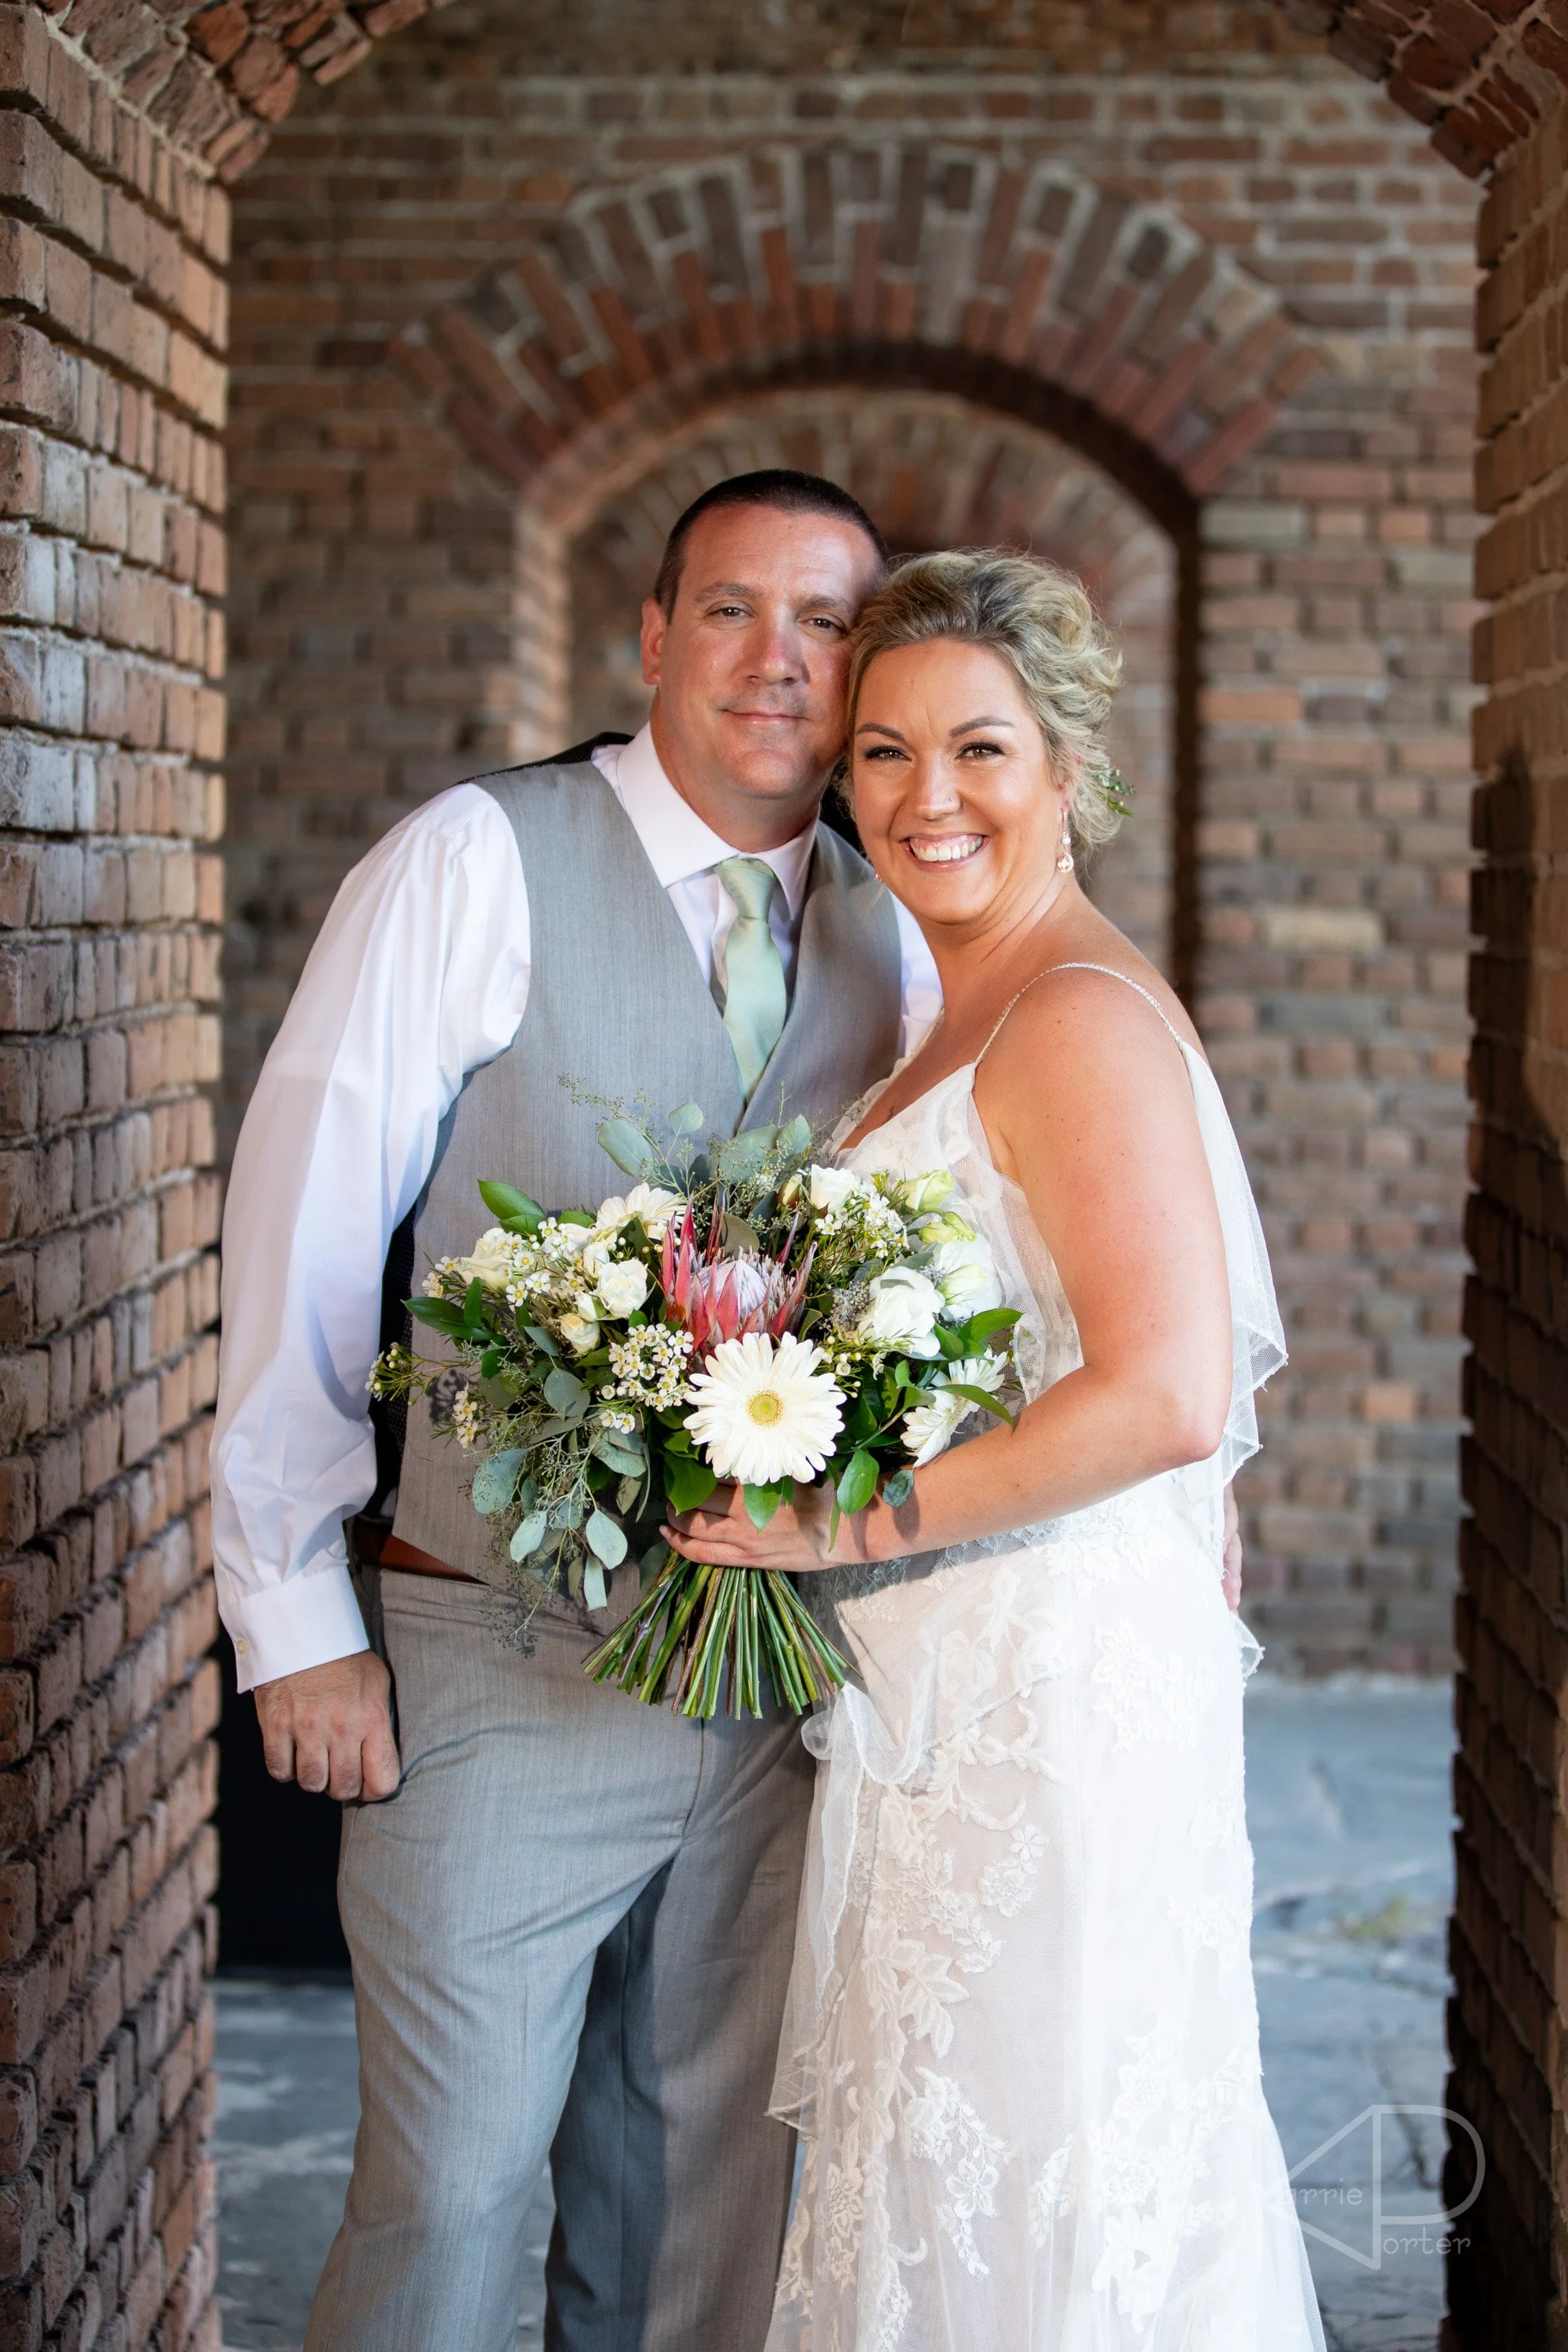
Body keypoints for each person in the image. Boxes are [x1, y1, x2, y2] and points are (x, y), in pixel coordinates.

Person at [209, 471, 945, 2352]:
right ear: (651, 637)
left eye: (826, 623)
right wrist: (293, 1619)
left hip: (778, 1685)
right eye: (730, 612)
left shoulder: (897, 933)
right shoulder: (473, 858)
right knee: (446, 2202)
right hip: (489, 1659)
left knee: (706, 2207)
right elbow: (300, 1228)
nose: (778, 664)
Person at [662, 552, 1327, 2348]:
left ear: (1069, 769)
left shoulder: (1075, 1019)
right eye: (880, 754)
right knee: (944, 2155)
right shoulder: (957, 993)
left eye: (979, 751)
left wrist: (837, 1522)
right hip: (957, 1682)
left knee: (1036, 2161)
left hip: (1039, 1696)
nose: (923, 799)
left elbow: (1167, 1393)